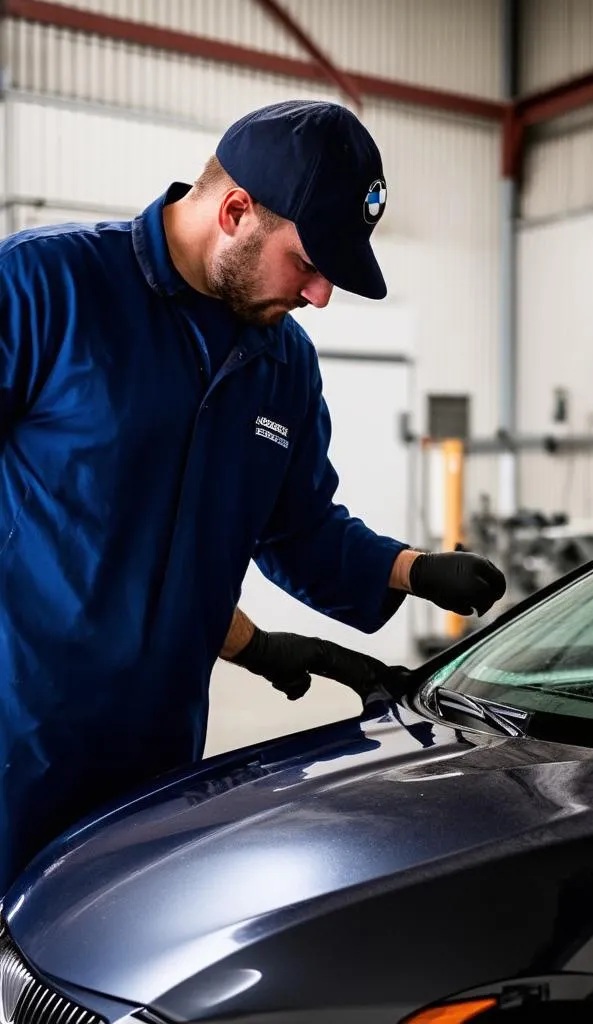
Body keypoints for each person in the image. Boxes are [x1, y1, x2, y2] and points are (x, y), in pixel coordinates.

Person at [0, 100, 506, 895]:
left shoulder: (284, 366)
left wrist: (412, 570)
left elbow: (297, 530)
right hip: (16, 741)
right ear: (235, 211)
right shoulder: (45, 286)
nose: (320, 295)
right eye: (308, 262)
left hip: (157, 760)